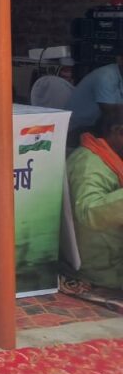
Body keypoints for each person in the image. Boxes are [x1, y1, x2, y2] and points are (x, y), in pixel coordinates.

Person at [66, 104, 123, 289]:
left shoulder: (108, 157)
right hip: (102, 269)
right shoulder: (89, 163)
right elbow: (88, 212)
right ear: (118, 131)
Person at [67, 48, 123, 134]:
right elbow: (113, 116)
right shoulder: (106, 76)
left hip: (94, 126)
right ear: (120, 60)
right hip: (76, 129)